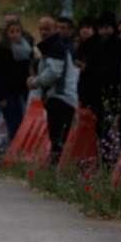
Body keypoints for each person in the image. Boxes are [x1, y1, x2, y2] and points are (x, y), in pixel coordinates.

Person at [28, 16, 79, 167]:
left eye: (47, 29)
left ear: (55, 29)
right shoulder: (54, 46)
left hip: (61, 98)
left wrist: (35, 82)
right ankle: (55, 169)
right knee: (57, 137)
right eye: (41, 29)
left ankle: (55, 171)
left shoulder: (56, 47)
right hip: (59, 98)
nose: (43, 32)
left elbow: (53, 73)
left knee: (58, 138)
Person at [0, 19, 31, 142]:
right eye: (12, 32)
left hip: (21, 92)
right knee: (13, 123)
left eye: (18, 31)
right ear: (6, 34)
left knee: (21, 122)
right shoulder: (1, 49)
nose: (15, 34)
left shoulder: (26, 48)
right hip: (7, 93)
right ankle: (9, 152)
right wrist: (1, 96)